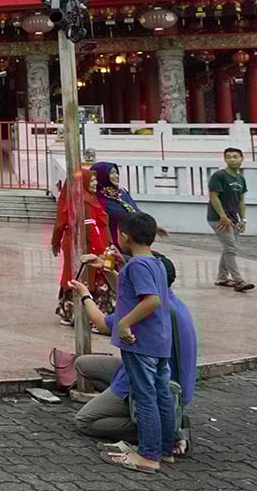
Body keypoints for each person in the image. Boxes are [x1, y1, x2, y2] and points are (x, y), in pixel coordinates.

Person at [71, 252, 197, 456]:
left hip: (150, 380)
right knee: (83, 364)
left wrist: (85, 295)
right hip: (155, 375)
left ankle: (159, 429)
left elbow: (103, 324)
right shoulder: (175, 303)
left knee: (85, 420)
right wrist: (108, 269)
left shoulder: (148, 310)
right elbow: (127, 296)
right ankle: (150, 417)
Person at [99, 212, 176, 474]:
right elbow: (130, 292)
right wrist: (114, 269)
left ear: (125, 237)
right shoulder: (154, 263)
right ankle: (165, 449)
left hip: (140, 341)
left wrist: (124, 324)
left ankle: (148, 454)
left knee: (145, 397)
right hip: (159, 340)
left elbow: (151, 301)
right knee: (161, 394)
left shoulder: (137, 266)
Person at [52, 165, 117, 325]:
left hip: (96, 244)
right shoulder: (83, 202)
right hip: (89, 246)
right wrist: (102, 251)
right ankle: (94, 318)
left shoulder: (90, 198)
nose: (95, 183)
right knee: (91, 277)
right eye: (92, 180)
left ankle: (72, 313)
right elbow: (90, 228)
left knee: (78, 276)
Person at [207, 147, 255, 292]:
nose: (232, 159)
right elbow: (213, 196)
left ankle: (222, 277)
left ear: (241, 159)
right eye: (228, 157)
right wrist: (222, 216)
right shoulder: (219, 176)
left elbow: (241, 200)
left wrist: (243, 219)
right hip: (219, 218)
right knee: (231, 248)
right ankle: (238, 280)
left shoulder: (240, 179)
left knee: (229, 248)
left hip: (233, 218)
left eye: (235, 157)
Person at [90, 161, 169, 244]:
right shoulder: (96, 198)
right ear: (102, 175)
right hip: (113, 243)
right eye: (112, 173)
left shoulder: (122, 193)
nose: (116, 176)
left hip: (133, 242)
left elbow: (136, 212)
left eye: (116, 173)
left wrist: (153, 227)